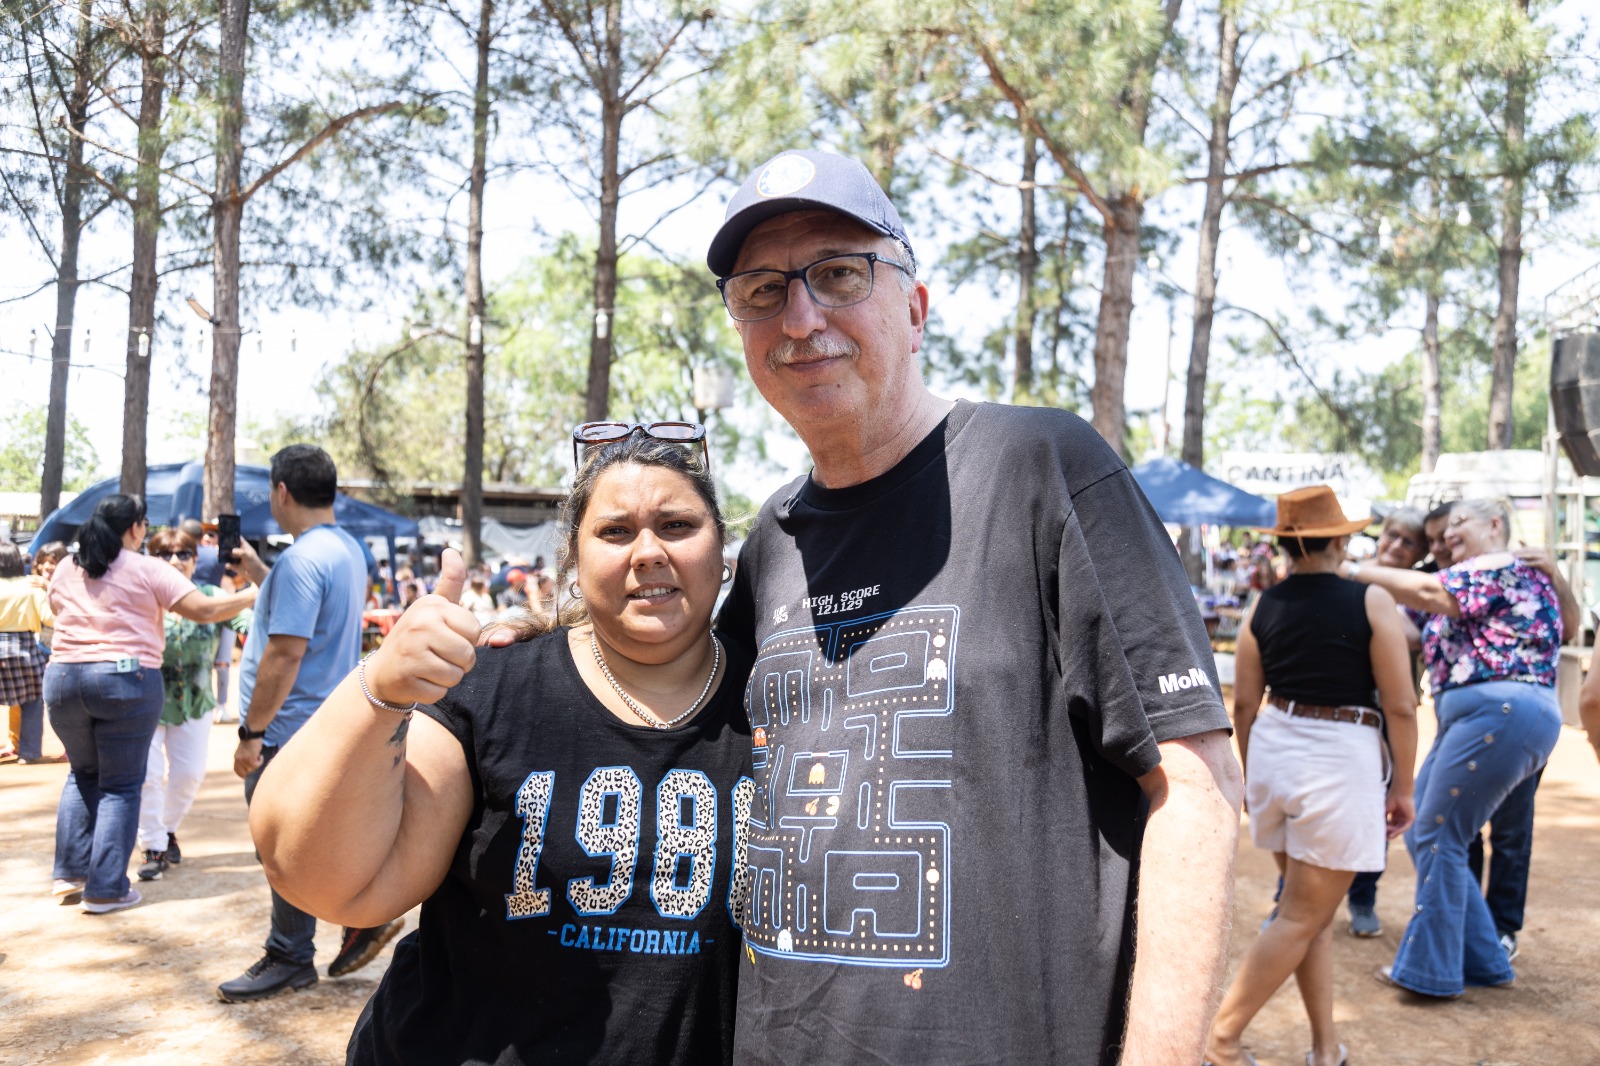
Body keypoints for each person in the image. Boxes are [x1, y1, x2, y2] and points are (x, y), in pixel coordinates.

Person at [706, 149, 1242, 1064]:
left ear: (913, 308)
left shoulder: (1044, 466)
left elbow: (1194, 784)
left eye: (839, 274)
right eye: (762, 291)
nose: (800, 318)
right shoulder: (771, 542)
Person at [249, 431, 749, 1064]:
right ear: (573, 558)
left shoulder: (779, 706)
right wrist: (380, 688)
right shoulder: (488, 686)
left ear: (722, 550)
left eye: (677, 524)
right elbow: (323, 879)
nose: (648, 552)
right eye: (616, 532)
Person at [1204, 487, 1416, 1066]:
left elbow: (1244, 704)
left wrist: (1253, 775)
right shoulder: (1371, 600)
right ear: (1342, 540)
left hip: (1276, 747)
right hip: (1337, 757)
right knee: (1302, 914)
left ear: (1285, 544)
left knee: (1310, 915)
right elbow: (1400, 704)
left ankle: (1326, 1048)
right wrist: (1403, 786)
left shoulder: (1261, 606)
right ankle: (1219, 1041)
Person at [1346, 497, 1563, 997]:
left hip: (1500, 711)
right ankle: (1484, 958)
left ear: (1494, 524)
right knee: (1430, 827)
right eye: (1442, 534)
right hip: (1487, 716)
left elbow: (1427, 590)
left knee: (1438, 833)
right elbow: (1408, 628)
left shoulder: (1498, 566)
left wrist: (1352, 568)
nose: (1445, 539)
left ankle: (1431, 971)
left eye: (1457, 526)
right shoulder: (1470, 583)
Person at [217, 445, 399, 1002]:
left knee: (282, 847)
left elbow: (284, 654)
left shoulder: (302, 560)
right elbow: (309, 608)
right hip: (327, 717)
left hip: (287, 728)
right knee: (314, 836)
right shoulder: (344, 549)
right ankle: (356, 918)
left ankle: (290, 954)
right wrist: (257, 570)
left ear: (280, 492)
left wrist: (252, 734)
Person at [45, 494, 256, 913]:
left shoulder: (69, 566)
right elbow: (200, 609)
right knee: (122, 786)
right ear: (137, 528)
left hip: (63, 677)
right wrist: (251, 595)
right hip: (124, 678)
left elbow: (56, 609)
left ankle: (70, 873)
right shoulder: (145, 567)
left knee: (82, 774)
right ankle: (106, 889)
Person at [136, 527, 253, 881]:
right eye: (163, 554)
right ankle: (153, 846)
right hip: (147, 699)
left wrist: (255, 593)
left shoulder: (213, 596)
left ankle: (166, 828)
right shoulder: (141, 597)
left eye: (183, 554)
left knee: (188, 776)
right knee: (149, 776)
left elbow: (247, 622)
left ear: (194, 559)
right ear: (150, 559)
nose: (174, 561)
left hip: (196, 700)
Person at [1344, 506, 1429, 937]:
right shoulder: (1344, 574)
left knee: (1381, 806)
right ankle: (1289, 893)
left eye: (1408, 541)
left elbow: (1415, 637)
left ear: (1419, 554)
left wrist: (1370, 587)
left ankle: (1363, 897)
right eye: (1391, 535)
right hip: (1340, 707)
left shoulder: (1418, 593)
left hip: (1391, 716)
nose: (1395, 545)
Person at [1, 542, 60, 765]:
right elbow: (51, 619)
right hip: (24, 648)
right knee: (33, 701)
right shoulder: (32, 588)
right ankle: (29, 752)